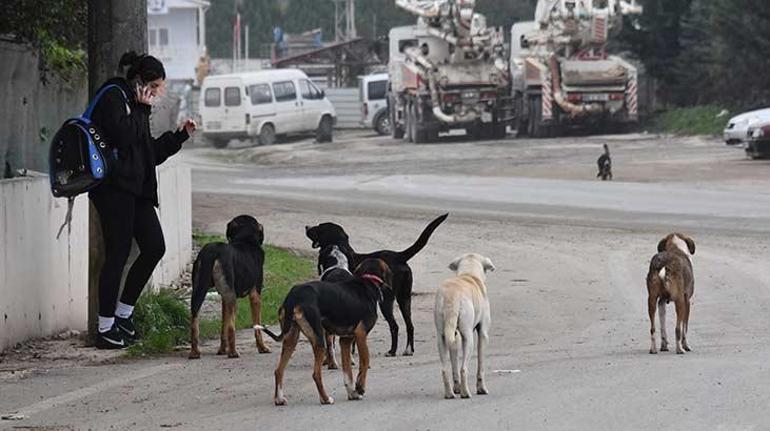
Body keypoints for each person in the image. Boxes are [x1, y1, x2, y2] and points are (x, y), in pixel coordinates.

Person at [89, 51, 197, 349]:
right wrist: (140, 109)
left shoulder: (136, 107)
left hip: (136, 191)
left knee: (154, 247)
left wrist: (179, 137)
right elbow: (123, 139)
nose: (159, 94)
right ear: (141, 83)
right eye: (157, 87)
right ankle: (105, 327)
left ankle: (124, 315)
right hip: (113, 190)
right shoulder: (114, 96)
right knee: (118, 254)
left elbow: (147, 152)